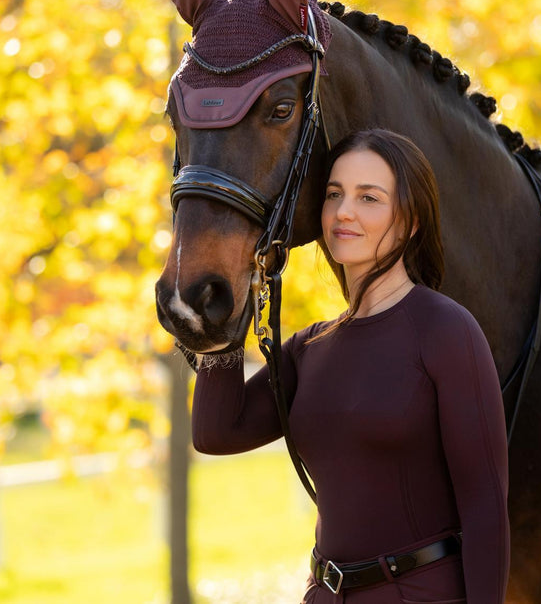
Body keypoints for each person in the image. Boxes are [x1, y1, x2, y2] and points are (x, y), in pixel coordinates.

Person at [191, 129, 510, 603]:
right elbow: (217, 433)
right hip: (325, 593)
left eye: (369, 198)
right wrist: (223, 311)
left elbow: (485, 510)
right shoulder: (309, 348)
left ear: (411, 222)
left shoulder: (446, 332)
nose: (344, 211)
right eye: (334, 194)